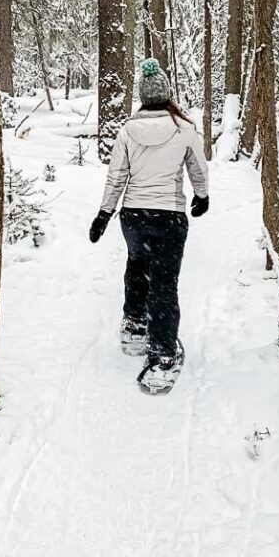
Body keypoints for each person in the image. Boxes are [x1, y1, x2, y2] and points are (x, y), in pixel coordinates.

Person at [89, 58, 209, 395]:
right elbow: (198, 169)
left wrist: (104, 214)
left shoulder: (128, 131)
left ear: (143, 97)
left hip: (134, 216)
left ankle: (134, 325)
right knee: (165, 282)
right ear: (166, 94)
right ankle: (163, 355)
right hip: (169, 216)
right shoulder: (184, 129)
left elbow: (116, 176)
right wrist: (202, 196)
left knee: (137, 265)